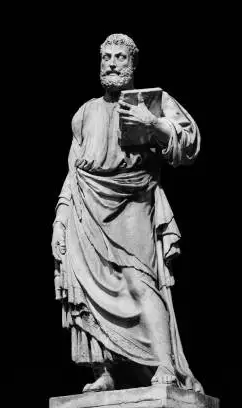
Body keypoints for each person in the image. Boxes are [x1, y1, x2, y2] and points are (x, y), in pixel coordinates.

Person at [51, 33, 203, 393]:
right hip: (86, 205)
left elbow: (190, 144)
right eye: (106, 58)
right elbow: (74, 171)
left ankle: (165, 363)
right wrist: (60, 219)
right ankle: (104, 371)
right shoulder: (85, 112)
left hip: (133, 200)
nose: (112, 64)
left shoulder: (151, 101)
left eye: (120, 57)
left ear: (133, 64)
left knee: (140, 281)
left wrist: (151, 124)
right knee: (88, 288)